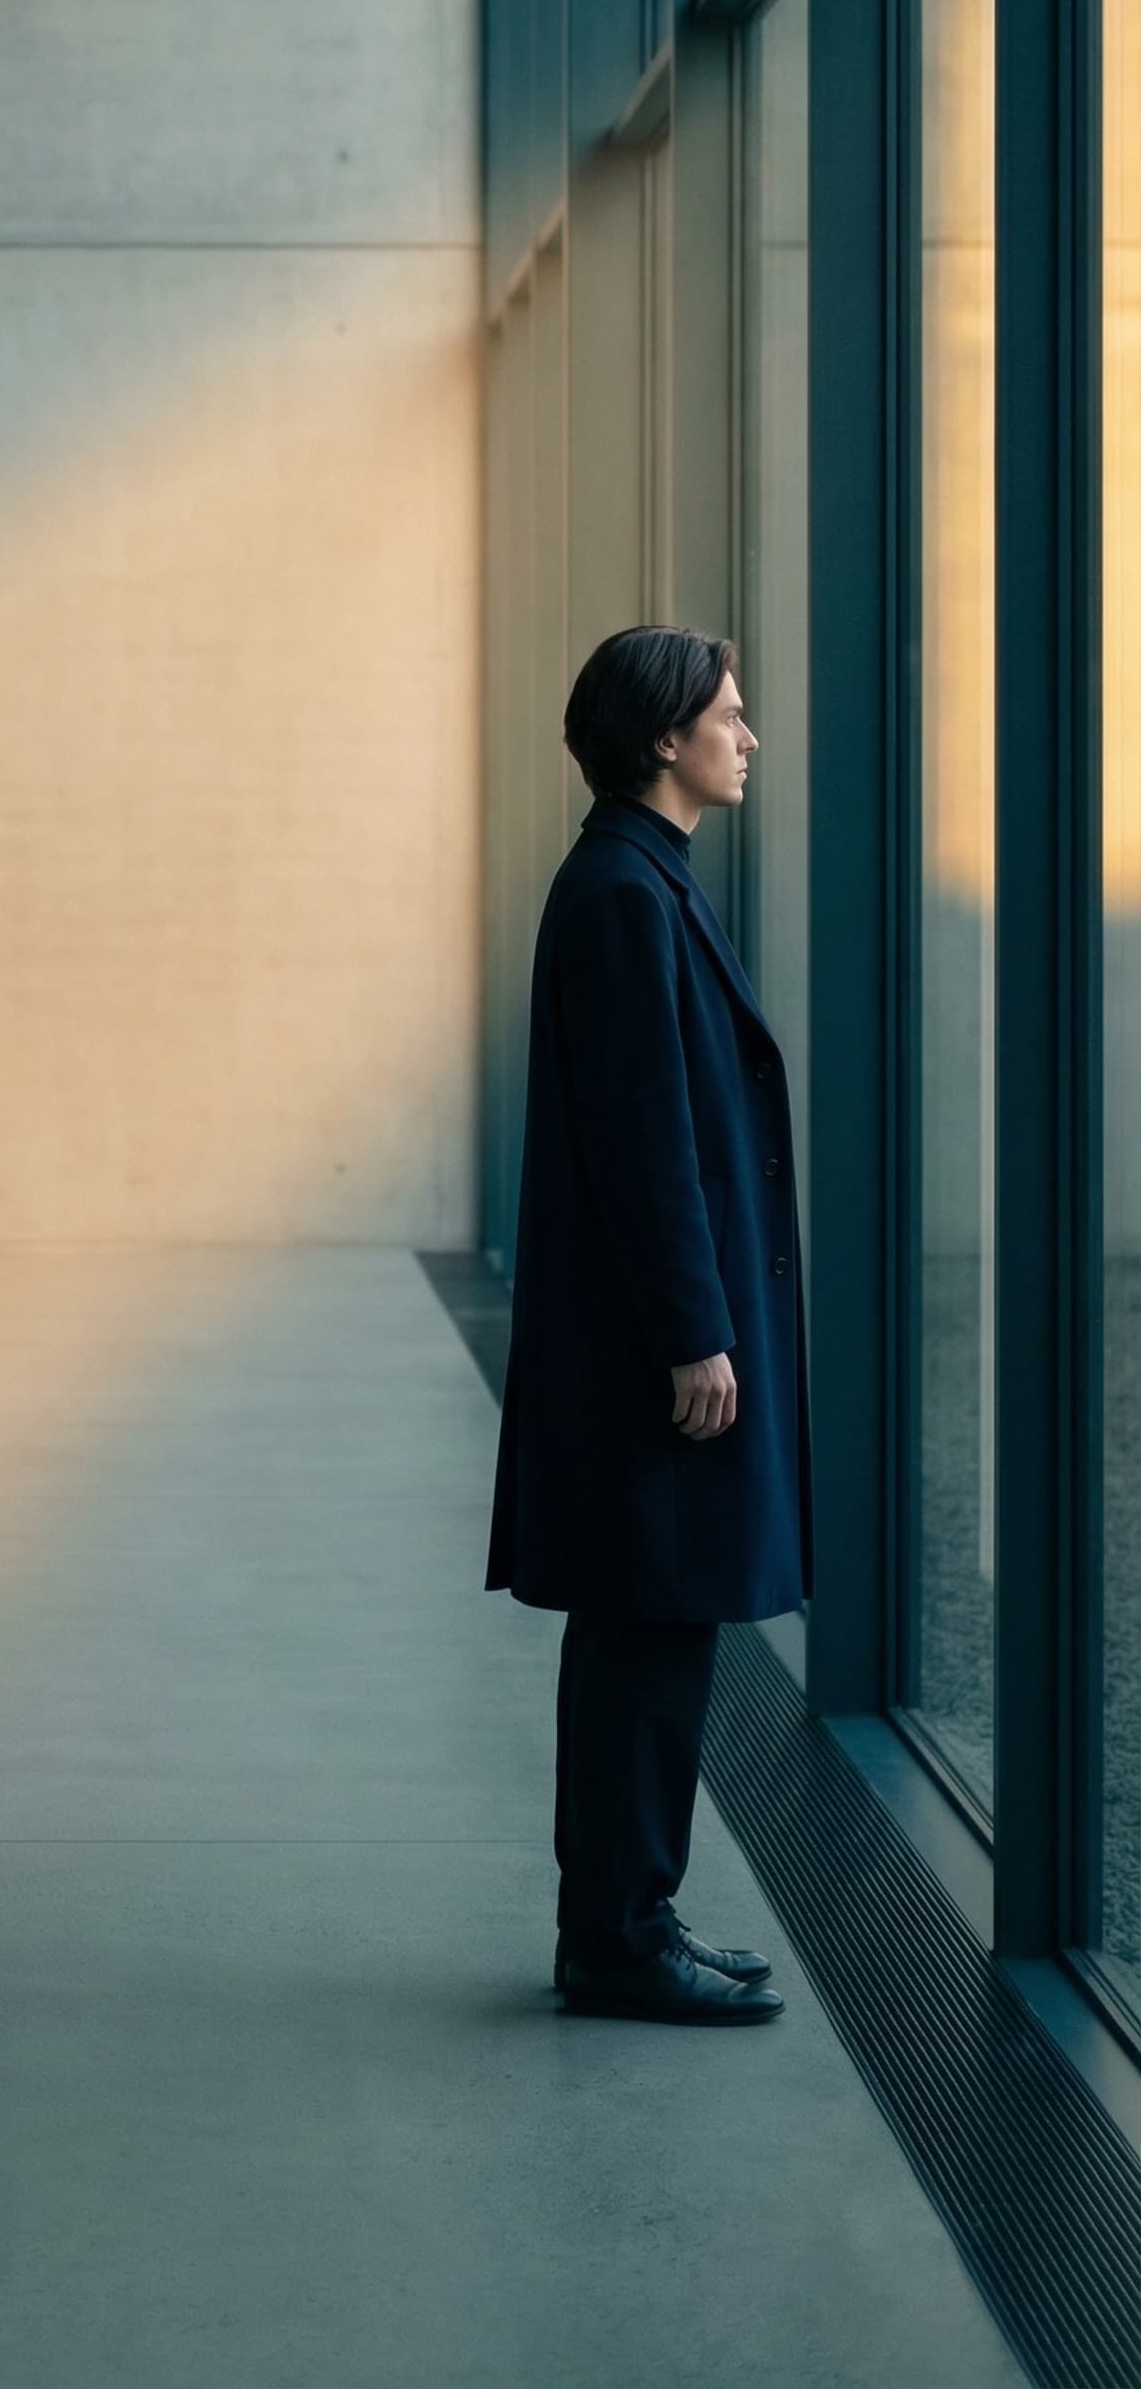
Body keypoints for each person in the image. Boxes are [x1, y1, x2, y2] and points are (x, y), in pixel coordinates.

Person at [485, 627, 811, 2025]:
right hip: (648, 1350)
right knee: (647, 1630)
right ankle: (618, 1935)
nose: (748, 739)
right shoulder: (624, 892)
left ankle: (630, 1916)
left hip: (647, 1336)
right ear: (664, 738)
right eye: (728, 718)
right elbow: (643, 1144)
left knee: (655, 1628)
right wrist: (697, 1331)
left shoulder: (642, 878)